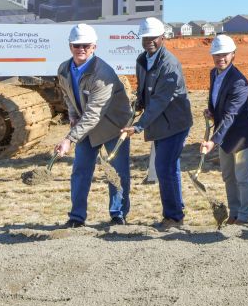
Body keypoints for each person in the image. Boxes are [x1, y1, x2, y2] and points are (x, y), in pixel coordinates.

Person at [55, 23, 133, 227]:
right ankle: (76, 217)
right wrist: (72, 114)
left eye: (86, 45)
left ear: (94, 47)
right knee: (80, 170)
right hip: (86, 127)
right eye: (76, 45)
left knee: (117, 172)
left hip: (114, 126)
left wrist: (69, 139)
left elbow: (94, 114)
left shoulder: (102, 74)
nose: (81, 49)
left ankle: (118, 214)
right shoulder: (64, 69)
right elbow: (68, 95)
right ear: (70, 46)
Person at [122, 17, 192, 230]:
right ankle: (175, 212)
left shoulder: (169, 64)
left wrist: (139, 125)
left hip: (174, 123)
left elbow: (161, 99)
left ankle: (173, 217)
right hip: (159, 123)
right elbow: (145, 90)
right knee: (169, 168)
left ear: (163, 37)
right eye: (146, 37)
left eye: (154, 37)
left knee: (164, 167)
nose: (149, 41)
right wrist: (137, 103)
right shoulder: (142, 60)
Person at [200, 34, 248, 225]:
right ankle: (233, 213)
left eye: (225, 54)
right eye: (217, 55)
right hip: (224, 137)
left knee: (242, 177)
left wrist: (213, 141)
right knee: (228, 176)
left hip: (241, 138)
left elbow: (231, 116)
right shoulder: (213, 74)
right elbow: (220, 106)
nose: (221, 58)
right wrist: (212, 112)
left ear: (234, 54)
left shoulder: (239, 82)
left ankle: (244, 216)